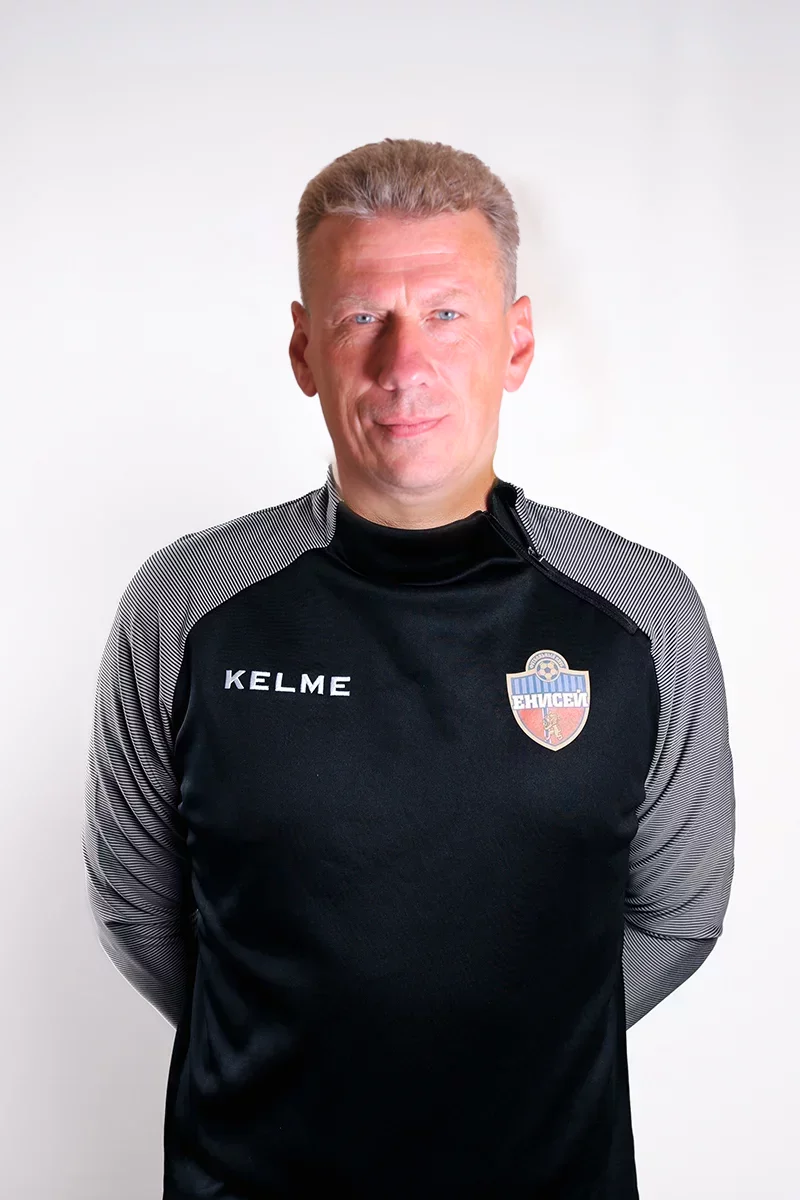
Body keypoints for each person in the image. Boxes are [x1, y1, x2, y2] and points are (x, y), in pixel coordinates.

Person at [82, 137, 736, 1199]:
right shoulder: (185, 605)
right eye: (359, 318)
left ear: (516, 343)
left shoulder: (642, 614)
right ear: (304, 351)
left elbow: (679, 912)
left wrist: (499, 1054)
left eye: (445, 314)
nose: (403, 365)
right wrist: (308, 1045)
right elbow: (136, 910)